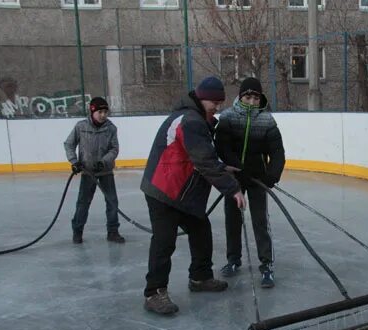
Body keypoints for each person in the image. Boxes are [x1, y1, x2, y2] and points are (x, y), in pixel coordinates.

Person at [140, 76, 247, 315]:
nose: (217, 107)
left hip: (183, 192)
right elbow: (203, 159)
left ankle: (200, 277)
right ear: (201, 98)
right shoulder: (190, 121)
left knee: (201, 230)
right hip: (164, 190)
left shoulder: (195, 118)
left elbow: (200, 155)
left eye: (220, 102)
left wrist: (223, 168)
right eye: (214, 102)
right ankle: (154, 292)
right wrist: (232, 188)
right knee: (164, 241)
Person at [215, 77, 285, 288]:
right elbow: (222, 147)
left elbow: (277, 152)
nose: (252, 101)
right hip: (234, 178)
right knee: (233, 219)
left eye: (256, 97)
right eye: (248, 96)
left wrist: (271, 176)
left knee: (260, 221)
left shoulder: (267, 120)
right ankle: (233, 260)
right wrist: (236, 167)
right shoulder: (227, 117)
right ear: (240, 96)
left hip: (258, 179)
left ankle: (266, 265)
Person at [64, 96, 125, 244]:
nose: (103, 115)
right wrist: (74, 161)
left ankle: (113, 231)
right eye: (100, 112)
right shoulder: (81, 127)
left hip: (105, 171)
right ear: (92, 112)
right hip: (87, 172)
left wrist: (104, 162)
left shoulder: (111, 128)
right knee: (83, 203)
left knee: (112, 202)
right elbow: (69, 144)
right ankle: (77, 231)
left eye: (105, 111)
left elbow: (114, 149)